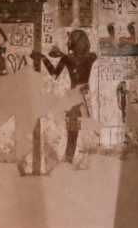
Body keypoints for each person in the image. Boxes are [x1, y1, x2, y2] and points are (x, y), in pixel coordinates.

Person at [31, 28, 97, 162]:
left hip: (76, 98)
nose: (68, 43)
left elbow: (54, 73)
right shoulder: (90, 57)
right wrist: (59, 56)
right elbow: (79, 60)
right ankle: (69, 158)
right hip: (82, 97)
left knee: (73, 132)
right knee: (73, 132)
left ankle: (69, 159)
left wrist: (45, 58)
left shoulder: (69, 59)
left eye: (70, 41)